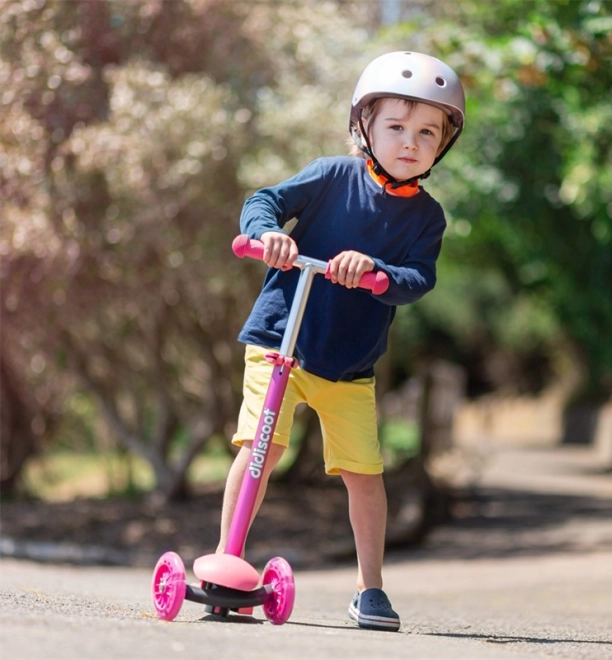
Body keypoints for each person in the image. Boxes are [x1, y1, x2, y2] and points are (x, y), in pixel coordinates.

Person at [216, 51, 466, 632]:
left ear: (442, 147)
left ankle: (370, 589)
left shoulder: (427, 218)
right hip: (281, 340)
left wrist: (377, 271)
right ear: (365, 127)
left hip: (349, 366)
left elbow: (415, 280)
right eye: (396, 127)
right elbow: (265, 200)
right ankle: (228, 558)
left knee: (364, 474)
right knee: (262, 448)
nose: (410, 142)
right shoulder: (331, 175)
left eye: (427, 133)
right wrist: (268, 234)